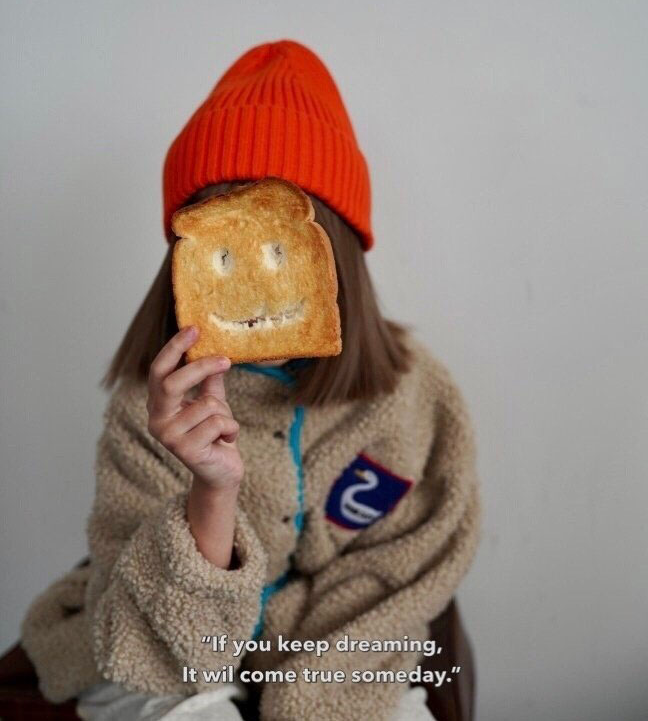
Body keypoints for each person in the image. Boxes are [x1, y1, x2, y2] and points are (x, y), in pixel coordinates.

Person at [20, 39, 482, 721]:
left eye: (278, 248)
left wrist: (315, 681)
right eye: (222, 254)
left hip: (342, 640)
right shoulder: (148, 408)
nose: (257, 286)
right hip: (156, 640)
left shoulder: (413, 398)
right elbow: (160, 647)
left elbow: (404, 564)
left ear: (335, 246)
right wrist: (212, 491)